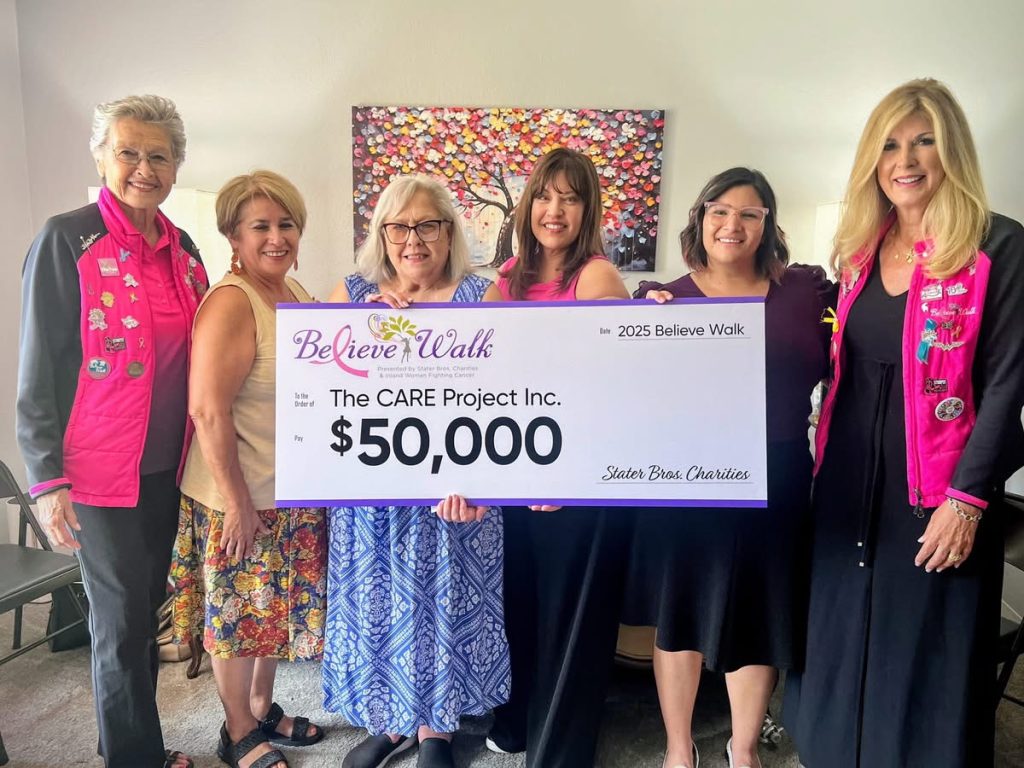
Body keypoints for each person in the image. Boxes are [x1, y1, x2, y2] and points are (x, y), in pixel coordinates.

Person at [783, 78, 1024, 768]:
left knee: (922, 650)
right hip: (848, 484)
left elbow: (1009, 383)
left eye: (924, 141)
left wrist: (968, 501)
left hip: (937, 496)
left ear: (951, 152)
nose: (906, 159)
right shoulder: (862, 250)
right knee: (839, 634)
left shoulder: (995, 246)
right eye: (890, 144)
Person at [16, 94, 205, 768]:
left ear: (177, 165)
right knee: (123, 624)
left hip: (166, 468)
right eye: (129, 152)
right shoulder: (66, 239)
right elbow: (39, 366)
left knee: (140, 614)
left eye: (159, 155)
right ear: (102, 157)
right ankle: (134, 758)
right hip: (97, 476)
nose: (144, 167)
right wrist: (47, 480)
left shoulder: (182, 249)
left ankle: (120, 739)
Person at [622, 168, 832, 768]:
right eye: (720, 210)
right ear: (700, 218)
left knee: (761, 613)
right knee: (679, 614)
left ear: (767, 225)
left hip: (778, 474)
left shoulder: (808, 293)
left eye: (749, 213)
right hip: (687, 478)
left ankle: (743, 749)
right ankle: (678, 747)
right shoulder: (664, 299)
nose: (732, 224)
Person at [321, 175, 509, 768]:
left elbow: (511, 395)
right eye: (398, 226)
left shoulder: (483, 297)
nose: (413, 239)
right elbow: (316, 381)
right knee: (380, 605)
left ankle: (435, 731)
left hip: (456, 493)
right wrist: (359, 330)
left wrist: (486, 486)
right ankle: (390, 721)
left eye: (428, 224)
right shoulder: (351, 293)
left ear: (449, 232)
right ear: (381, 233)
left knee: (441, 603)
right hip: (372, 495)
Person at [170, 171, 326, 768]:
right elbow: (207, 410)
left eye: (286, 224)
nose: (277, 237)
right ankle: (237, 731)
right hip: (240, 493)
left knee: (272, 610)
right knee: (237, 615)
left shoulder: (293, 292)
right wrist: (237, 502)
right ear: (233, 235)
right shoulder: (233, 301)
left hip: (288, 489)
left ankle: (262, 706)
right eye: (260, 225)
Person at [483, 147, 631, 768]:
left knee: (569, 615)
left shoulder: (595, 277)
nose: (554, 209)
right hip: (519, 473)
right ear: (527, 205)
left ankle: (561, 749)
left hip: (578, 480)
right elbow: (482, 377)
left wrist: (570, 470)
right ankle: (517, 722)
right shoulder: (506, 279)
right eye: (545, 195)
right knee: (518, 600)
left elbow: (610, 387)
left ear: (586, 209)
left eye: (570, 198)